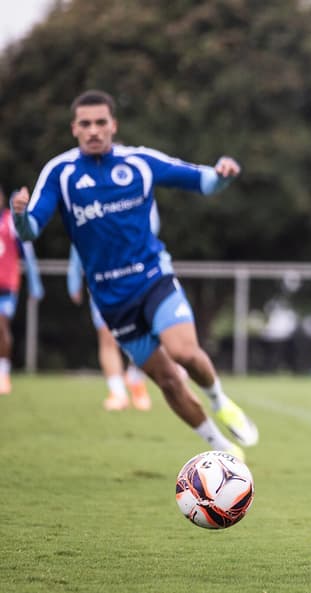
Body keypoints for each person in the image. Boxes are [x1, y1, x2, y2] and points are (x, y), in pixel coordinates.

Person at [11, 89, 258, 458]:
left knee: (184, 353)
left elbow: (200, 181)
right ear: (74, 129)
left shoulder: (139, 162)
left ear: (113, 125)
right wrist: (19, 214)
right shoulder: (60, 173)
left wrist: (222, 174)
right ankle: (221, 449)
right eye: (85, 124)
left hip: (153, 278)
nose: (94, 130)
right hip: (112, 300)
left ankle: (220, 400)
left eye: (100, 122)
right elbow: (31, 229)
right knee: (169, 383)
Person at [68, 243, 151, 411]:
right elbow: (78, 238)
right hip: (102, 283)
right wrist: (74, 278)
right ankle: (117, 392)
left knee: (141, 335)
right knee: (107, 337)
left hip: (134, 281)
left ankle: (136, 380)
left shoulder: (147, 215)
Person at [0, 184, 44, 394]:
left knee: (1, 326)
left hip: (6, 284)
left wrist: (35, 283)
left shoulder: (11, 221)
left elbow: (27, 251)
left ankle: (3, 374)